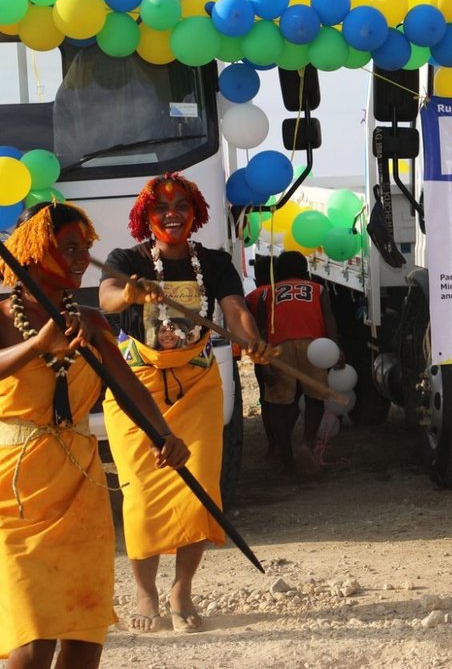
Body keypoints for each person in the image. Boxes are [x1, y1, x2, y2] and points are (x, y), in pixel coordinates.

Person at [0, 202, 189, 668]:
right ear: (31, 251)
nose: (81, 258)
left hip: (79, 484)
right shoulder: (2, 316)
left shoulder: (93, 322)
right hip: (14, 488)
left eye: (84, 248)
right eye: (68, 248)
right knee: (32, 638)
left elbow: (128, 388)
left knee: (84, 633)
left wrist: (164, 434)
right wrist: (38, 346)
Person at [97, 173, 269, 635]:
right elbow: (107, 298)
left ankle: (181, 590)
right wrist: (130, 291)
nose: (171, 213)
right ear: (145, 216)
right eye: (161, 207)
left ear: (196, 212)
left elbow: (235, 310)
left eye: (181, 205)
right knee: (140, 497)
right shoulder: (126, 260)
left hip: (197, 387)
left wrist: (252, 342)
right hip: (137, 388)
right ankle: (146, 591)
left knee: (199, 494)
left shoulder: (213, 261)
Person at [244, 250, 339, 475]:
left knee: (279, 403)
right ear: (306, 272)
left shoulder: (267, 293)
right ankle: (306, 443)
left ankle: (285, 455)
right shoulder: (318, 289)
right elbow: (329, 318)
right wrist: (335, 348)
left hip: (279, 348)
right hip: (313, 346)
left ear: (276, 273)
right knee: (315, 396)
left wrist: (263, 361)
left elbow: (260, 329)